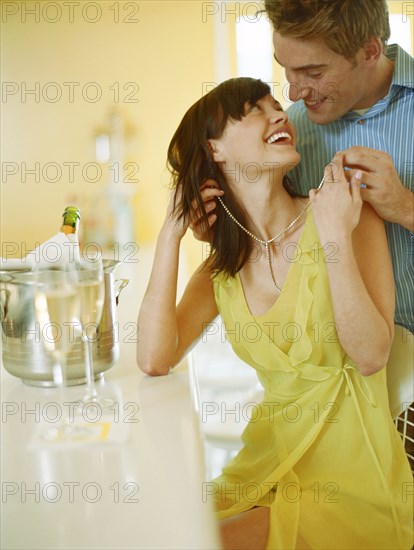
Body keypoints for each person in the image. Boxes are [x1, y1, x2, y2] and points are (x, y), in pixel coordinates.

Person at [137, 77, 413, 549]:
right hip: (265, 466)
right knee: (165, 532)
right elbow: (154, 358)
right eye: (255, 109)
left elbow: (370, 354)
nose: (279, 113)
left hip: (350, 481)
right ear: (214, 149)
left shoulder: (344, 215)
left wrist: (332, 239)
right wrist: (170, 234)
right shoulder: (221, 268)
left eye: (274, 104)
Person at [193, 0, 414, 335]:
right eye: (286, 67)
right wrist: (223, 226)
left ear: (369, 52)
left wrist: (406, 208)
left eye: (314, 73)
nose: (294, 92)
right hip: (343, 370)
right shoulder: (287, 138)